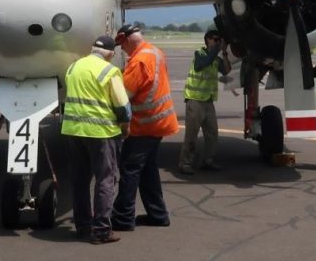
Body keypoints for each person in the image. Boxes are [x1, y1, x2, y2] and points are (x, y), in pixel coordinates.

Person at [62, 35, 132, 244]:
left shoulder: (73, 67)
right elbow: (122, 105)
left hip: (74, 130)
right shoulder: (109, 70)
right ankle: (101, 230)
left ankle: (83, 226)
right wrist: (126, 125)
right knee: (105, 179)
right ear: (110, 53)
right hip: (101, 132)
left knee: (80, 181)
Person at [111, 24, 179, 231]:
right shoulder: (155, 52)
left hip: (143, 125)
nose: (122, 50)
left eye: (122, 46)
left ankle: (122, 219)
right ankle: (158, 215)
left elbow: (123, 96)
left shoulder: (139, 60)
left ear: (128, 40)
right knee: (148, 171)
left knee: (130, 170)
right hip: (159, 123)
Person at [178, 29, 231, 175]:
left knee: (212, 133)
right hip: (195, 100)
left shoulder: (216, 58)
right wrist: (216, 50)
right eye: (215, 39)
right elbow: (202, 64)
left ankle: (208, 160)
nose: (218, 42)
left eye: (219, 40)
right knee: (191, 135)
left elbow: (226, 71)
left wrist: (225, 53)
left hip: (208, 101)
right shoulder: (199, 53)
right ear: (208, 40)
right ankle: (185, 163)